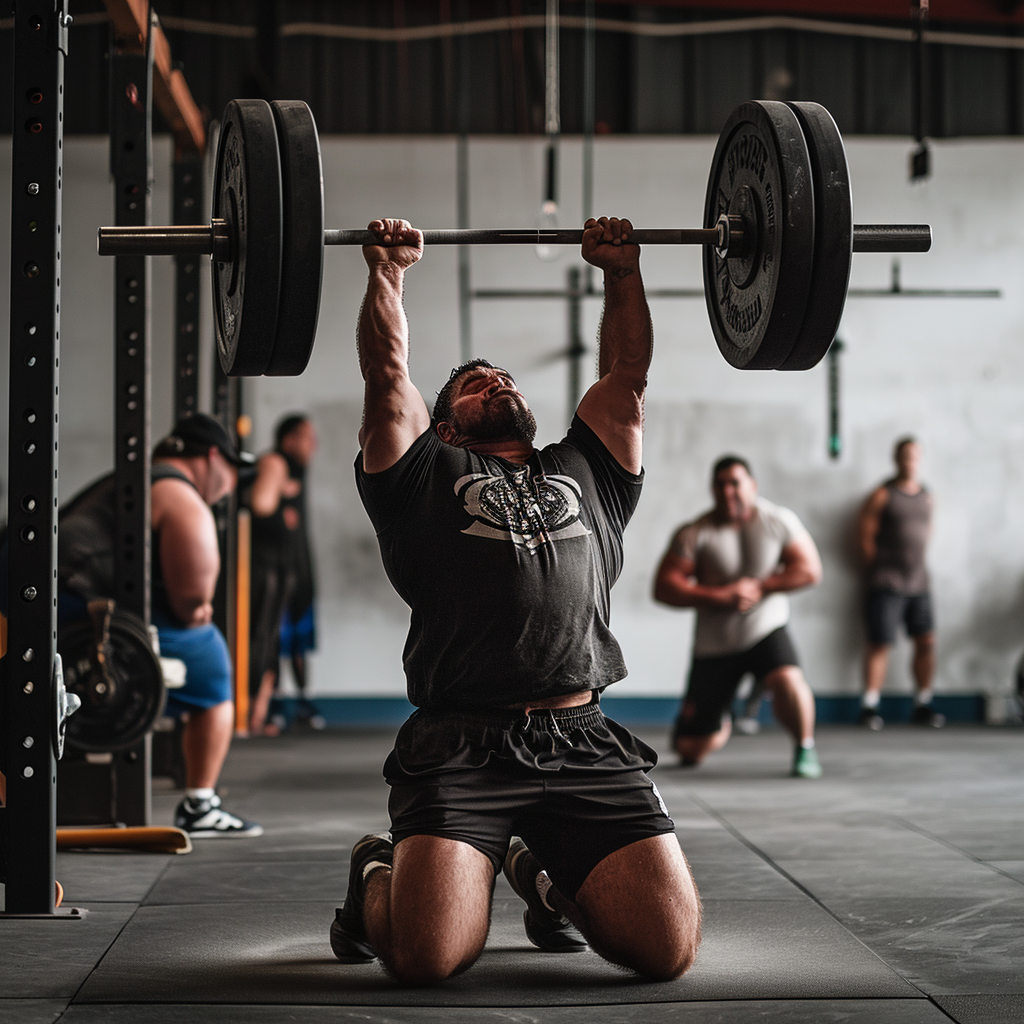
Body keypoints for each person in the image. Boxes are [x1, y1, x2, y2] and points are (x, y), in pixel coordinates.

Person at [330, 217, 701, 985]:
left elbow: (626, 379)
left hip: (582, 735)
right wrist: (389, 273)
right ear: (443, 425)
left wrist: (621, 274)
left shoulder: (586, 470)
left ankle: (537, 869)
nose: (497, 381)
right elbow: (387, 380)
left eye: (504, 377)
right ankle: (375, 873)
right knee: (428, 959)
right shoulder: (420, 477)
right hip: (463, 743)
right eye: (475, 384)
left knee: (666, 951)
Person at [57, 413, 262, 837]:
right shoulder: (178, 493)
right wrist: (197, 608)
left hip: (48, 599)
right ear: (211, 457)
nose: (229, 487)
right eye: (231, 470)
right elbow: (190, 603)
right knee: (211, 656)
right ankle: (200, 805)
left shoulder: (134, 480)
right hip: (69, 607)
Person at [653, 456, 824, 779]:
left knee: (788, 679)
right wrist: (721, 595)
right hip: (715, 645)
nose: (728, 491)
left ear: (752, 486)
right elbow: (664, 587)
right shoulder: (695, 533)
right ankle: (722, 716)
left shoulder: (777, 520)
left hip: (765, 629)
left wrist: (760, 586)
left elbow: (810, 570)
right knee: (690, 750)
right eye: (720, 485)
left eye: (735, 483)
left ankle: (805, 746)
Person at [857, 437, 943, 729]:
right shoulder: (882, 495)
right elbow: (865, 537)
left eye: (913, 456)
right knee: (880, 642)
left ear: (919, 459)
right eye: (904, 456)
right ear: (896, 459)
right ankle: (869, 707)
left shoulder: (927, 496)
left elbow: (926, 533)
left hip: (919, 581)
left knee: (926, 641)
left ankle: (923, 703)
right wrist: (880, 568)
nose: (909, 461)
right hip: (887, 582)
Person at [245, 414, 319, 733]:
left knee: (288, 642)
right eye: (305, 437)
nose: (313, 444)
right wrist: (280, 511)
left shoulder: (296, 471)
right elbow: (260, 505)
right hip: (268, 571)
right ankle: (256, 713)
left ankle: (281, 707)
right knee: (265, 640)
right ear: (288, 439)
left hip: (289, 571)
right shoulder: (274, 462)